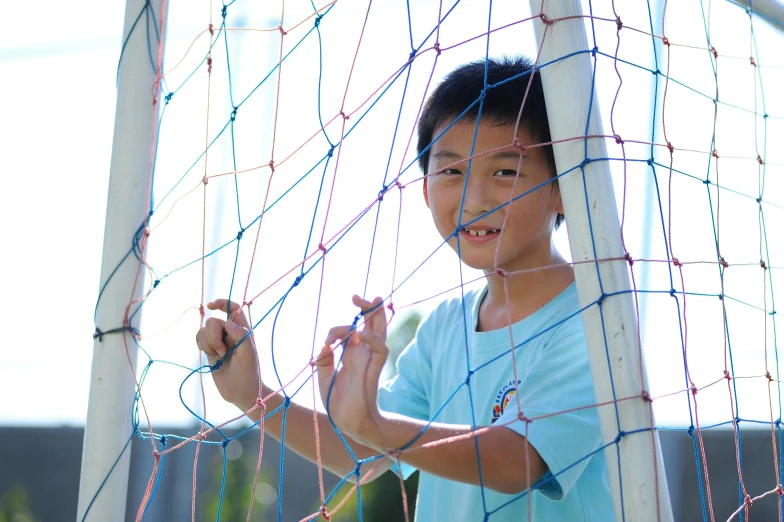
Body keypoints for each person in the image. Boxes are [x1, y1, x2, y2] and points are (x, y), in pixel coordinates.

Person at [196, 56, 613, 521]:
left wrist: (377, 426)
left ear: (564, 187)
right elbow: (364, 453)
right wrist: (253, 396)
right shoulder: (444, 327)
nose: (474, 200)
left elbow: (517, 461)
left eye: (505, 172)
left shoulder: (596, 319)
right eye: (451, 172)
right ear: (425, 189)